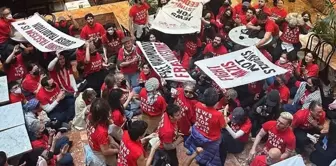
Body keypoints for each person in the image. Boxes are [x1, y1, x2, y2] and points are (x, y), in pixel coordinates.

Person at [185, 87, 226, 166]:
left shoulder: (197, 105)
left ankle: (193, 152)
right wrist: (224, 113)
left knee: (196, 147)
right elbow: (223, 126)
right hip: (211, 140)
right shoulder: (218, 115)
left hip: (197, 132)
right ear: (216, 101)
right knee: (210, 155)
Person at [86, 98, 119, 165]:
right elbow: (105, 151)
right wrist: (117, 151)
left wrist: (111, 140)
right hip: (99, 152)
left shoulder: (91, 116)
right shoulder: (101, 132)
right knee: (114, 162)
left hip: (94, 143)